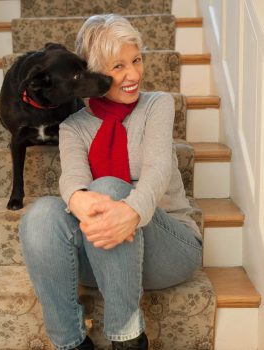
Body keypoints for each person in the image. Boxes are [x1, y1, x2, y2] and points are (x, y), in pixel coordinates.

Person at [19, 14, 203, 350]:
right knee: (41, 214)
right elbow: (73, 177)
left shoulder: (157, 105)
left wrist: (129, 211)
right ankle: (71, 343)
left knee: (107, 187)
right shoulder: (74, 126)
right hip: (103, 254)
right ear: (94, 73)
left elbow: (158, 169)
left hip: (169, 249)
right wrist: (75, 198)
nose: (133, 75)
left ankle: (127, 337)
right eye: (118, 67)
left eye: (136, 60)